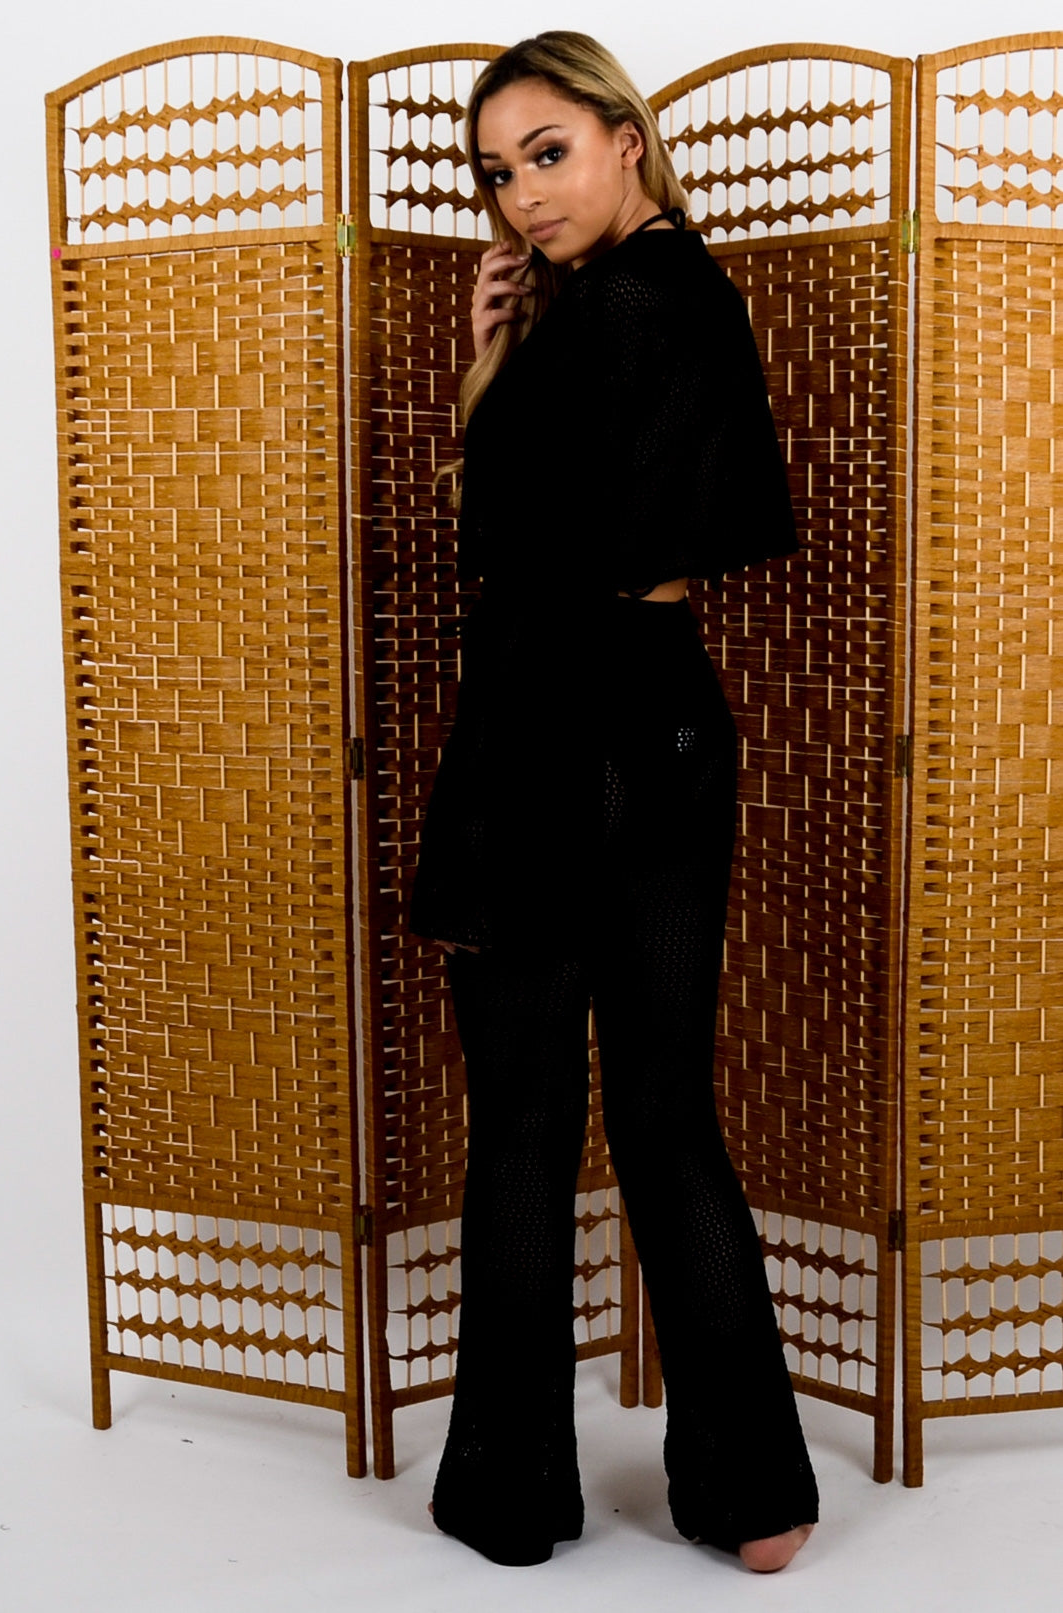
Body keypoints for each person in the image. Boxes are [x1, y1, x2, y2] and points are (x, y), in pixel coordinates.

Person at [406, 30, 819, 1573]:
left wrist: (500, 376)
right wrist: (506, 344)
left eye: (549, 153)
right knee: (661, 1109)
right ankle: (757, 1496)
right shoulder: (675, 296)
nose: (523, 196)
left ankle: (512, 1496)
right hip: (666, 721)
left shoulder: (623, 307)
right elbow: (632, 527)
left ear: (625, 136)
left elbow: (526, 546)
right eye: (498, 173)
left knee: (523, 1118)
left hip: (556, 727)